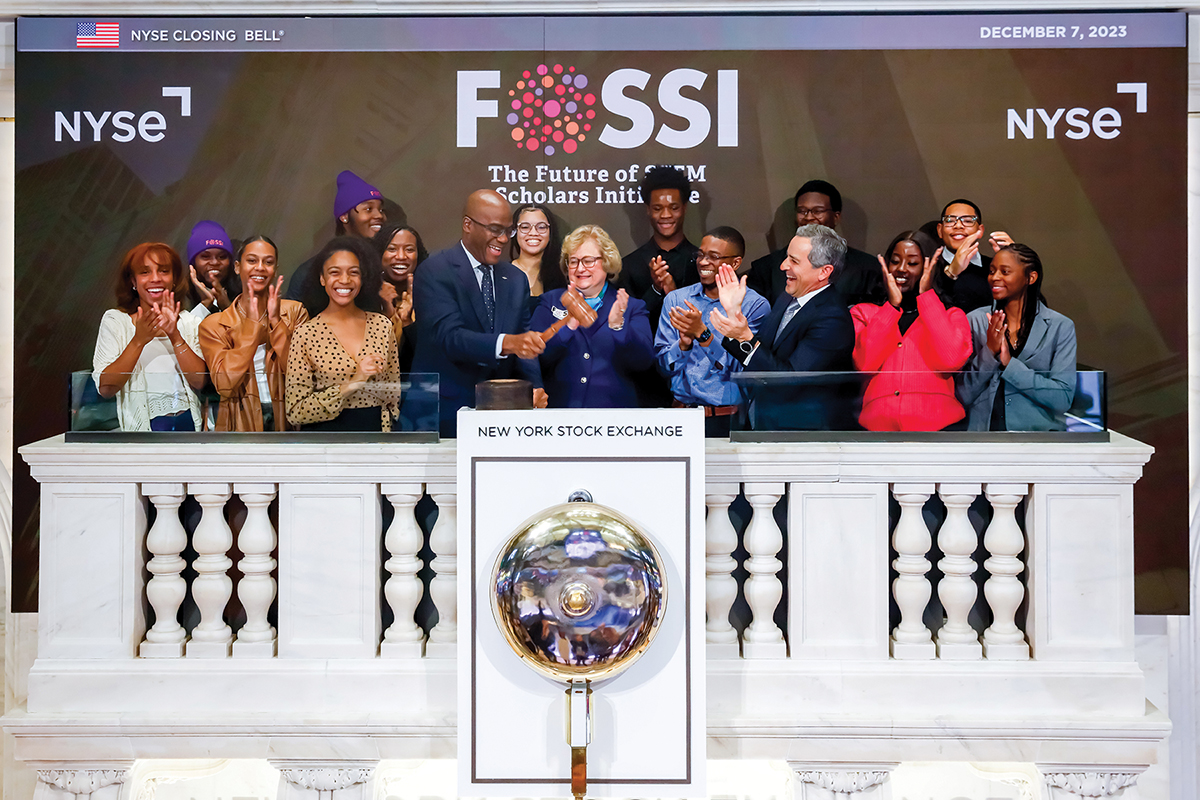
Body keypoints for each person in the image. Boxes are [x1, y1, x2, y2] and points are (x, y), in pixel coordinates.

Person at [410, 189, 545, 436]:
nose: (504, 239)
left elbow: (523, 336)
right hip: (441, 414)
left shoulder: (514, 279)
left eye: (508, 230)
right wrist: (507, 343)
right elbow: (449, 337)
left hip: (502, 414)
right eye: (495, 229)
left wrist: (534, 386)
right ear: (467, 225)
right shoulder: (435, 271)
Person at [709, 224, 856, 431]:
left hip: (803, 436)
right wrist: (735, 314)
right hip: (765, 424)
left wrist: (745, 337)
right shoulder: (787, 297)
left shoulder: (832, 318)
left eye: (794, 261)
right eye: (787, 257)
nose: (783, 265)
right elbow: (763, 355)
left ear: (824, 271)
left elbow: (789, 381)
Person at [850, 230, 972, 431]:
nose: (901, 269)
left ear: (929, 268)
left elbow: (950, 361)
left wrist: (927, 297)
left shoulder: (952, 314)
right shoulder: (863, 312)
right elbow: (864, 365)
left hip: (940, 432)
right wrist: (891, 307)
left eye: (913, 263)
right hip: (876, 433)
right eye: (895, 261)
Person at [655, 226, 770, 436]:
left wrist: (704, 334)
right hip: (681, 417)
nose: (703, 262)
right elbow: (663, 367)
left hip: (727, 421)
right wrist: (683, 345)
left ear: (735, 263)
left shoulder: (754, 306)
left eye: (714, 257)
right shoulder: (677, 300)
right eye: (700, 255)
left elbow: (739, 369)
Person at [530, 225, 654, 408]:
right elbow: (534, 357)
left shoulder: (631, 307)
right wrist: (567, 327)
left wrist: (618, 326)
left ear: (607, 262)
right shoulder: (550, 302)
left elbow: (644, 362)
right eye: (573, 261)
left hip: (614, 420)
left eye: (588, 260)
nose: (580, 268)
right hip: (561, 418)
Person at [285, 237, 400, 431]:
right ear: (322, 279)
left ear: (363, 278)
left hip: (374, 440)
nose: (345, 280)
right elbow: (296, 410)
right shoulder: (305, 334)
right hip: (326, 441)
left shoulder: (382, 326)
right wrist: (352, 383)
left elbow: (392, 397)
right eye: (334, 272)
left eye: (353, 272)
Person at [959, 244, 1076, 431]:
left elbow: (1062, 399)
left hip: (1036, 442)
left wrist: (1010, 364)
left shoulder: (1060, 327)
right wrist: (989, 352)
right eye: (991, 271)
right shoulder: (975, 321)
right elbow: (962, 394)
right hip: (982, 439)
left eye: (1005, 272)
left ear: (1031, 277)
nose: (994, 277)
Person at [198, 236, 309, 431]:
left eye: (268, 262)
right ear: (237, 267)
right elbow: (224, 384)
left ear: (275, 269)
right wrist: (252, 328)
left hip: (286, 419)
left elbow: (301, 376)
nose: (260, 267)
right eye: (252, 261)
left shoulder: (294, 312)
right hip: (239, 423)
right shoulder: (213, 325)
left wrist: (276, 322)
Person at [93, 242, 207, 431]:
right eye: (145, 272)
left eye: (163, 271)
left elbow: (199, 381)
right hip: (144, 432)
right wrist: (139, 340)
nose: (155, 279)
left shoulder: (189, 322)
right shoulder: (116, 321)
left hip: (189, 426)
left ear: (174, 279)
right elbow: (106, 388)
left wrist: (175, 335)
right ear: (133, 281)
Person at [619, 166, 700, 408]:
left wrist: (674, 294)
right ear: (647, 210)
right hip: (644, 382)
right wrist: (655, 291)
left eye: (673, 207)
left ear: (685, 207)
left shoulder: (702, 261)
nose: (666, 215)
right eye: (657, 208)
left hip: (695, 380)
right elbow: (625, 325)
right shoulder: (630, 265)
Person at [747, 180, 880, 306]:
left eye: (818, 211)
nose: (809, 217)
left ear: (836, 217)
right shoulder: (766, 268)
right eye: (802, 211)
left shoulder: (866, 268)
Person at [285, 170, 386, 301]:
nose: (379, 216)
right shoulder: (309, 272)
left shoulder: (388, 265)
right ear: (344, 216)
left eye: (381, 210)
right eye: (368, 209)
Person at [932, 198, 1014, 312]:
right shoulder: (926, 266)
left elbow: (1034, 306)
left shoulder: (993, 267)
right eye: (950, 220)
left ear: (980, 230)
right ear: (940, 230)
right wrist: (951, 272)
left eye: (968, 221)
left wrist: (1017, 263)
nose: (958, 226)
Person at [372, 223, 427, 361]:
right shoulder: (363, 296)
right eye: (391, 249)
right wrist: (386, 314)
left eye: (409, 249)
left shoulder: (431, 295)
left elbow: (430, 356)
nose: (401, 256)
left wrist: (408, 323)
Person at [510, 203, 567, 315]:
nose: (533, 233)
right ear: (515, 231)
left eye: (541, 227)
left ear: (550, 232)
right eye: (525, 227)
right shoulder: (499, 276)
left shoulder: (562, 277)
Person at [185, 220, 240, 320]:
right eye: (205, 257)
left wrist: (226, 306)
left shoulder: (244, 295)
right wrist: (205, 303)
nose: (215, 262)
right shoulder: (179, 297)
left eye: (222, 257)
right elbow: (179, 333)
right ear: (193, 263)